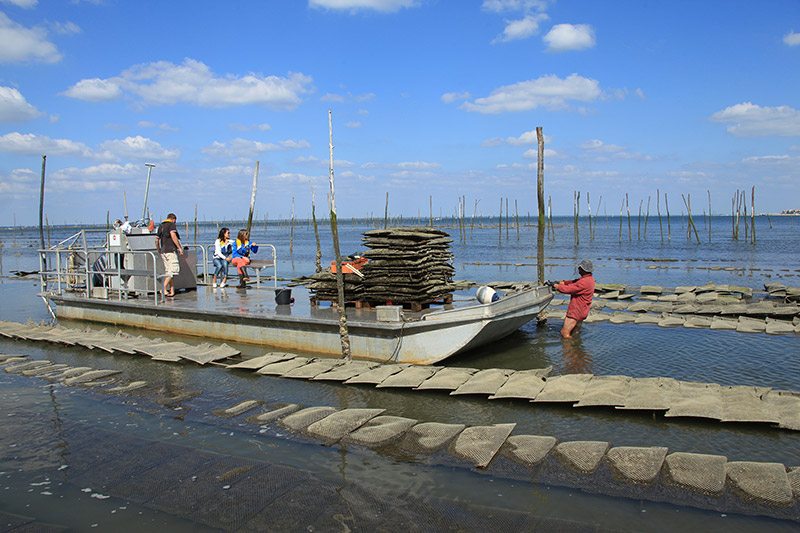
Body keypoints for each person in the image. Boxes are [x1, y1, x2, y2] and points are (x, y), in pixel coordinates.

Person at [554, 259, 595, 338]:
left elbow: (569, 289)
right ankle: (576, 347)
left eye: (579, 268)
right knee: (575, 331)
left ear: (583, 269)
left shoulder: (584, 282)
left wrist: (556, 286)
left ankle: (569, 349)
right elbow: (574, 282)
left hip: (576, 311)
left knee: (564, 333)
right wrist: (563, 282)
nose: (578, 269)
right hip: (583, 310)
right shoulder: (589, 279)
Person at [155, 213, 183, 297]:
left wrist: (158, 249)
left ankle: (171, 290)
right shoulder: (171, 225)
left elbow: (156, 240)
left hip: (163, 251)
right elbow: (173, 236)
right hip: (171, 250)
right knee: (173, 270)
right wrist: (179, 248)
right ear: (173, 219)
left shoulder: (161, 226)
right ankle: (163, 289)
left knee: (168, 271)